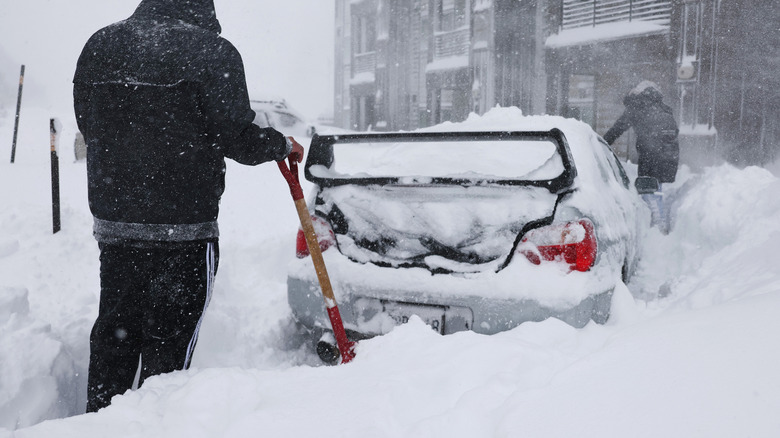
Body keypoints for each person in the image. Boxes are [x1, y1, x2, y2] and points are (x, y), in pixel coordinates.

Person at [73, 0, 304, 412]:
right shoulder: (212, 52)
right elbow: (236, 138)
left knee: (116, 332)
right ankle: (157, 421)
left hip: (117, 224)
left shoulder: (100, 45)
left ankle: (98, 422)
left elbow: (88, 124)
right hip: (184, 229)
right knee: (170, 342)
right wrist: (280, 144)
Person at [603, 81, 679, 232]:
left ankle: (653, 222)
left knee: (646, 187)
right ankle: (661, 219)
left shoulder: (636, 107)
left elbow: (617, 129)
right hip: (668, 153)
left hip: (649, 153)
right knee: (657, 185)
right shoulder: (663, 107)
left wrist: (603, 143)